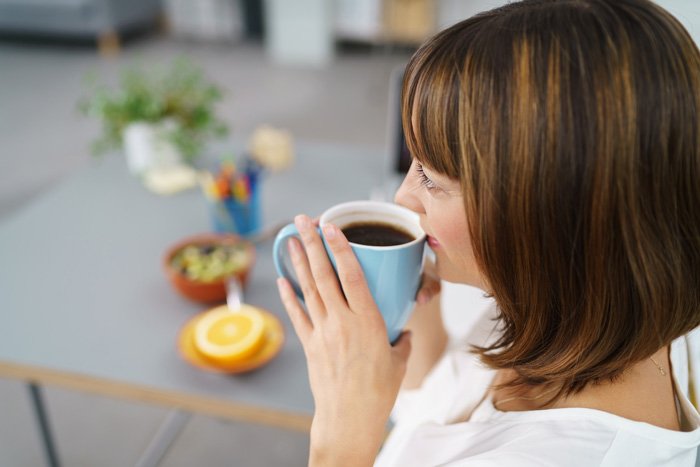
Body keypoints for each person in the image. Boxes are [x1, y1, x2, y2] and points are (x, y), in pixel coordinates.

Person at [275, 0, 700, 465]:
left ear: (544, 214)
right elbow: (437, 399)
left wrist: (340, 437)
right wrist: (399, 293)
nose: (402, 197)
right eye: (413, 163)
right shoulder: (569, 312)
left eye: (432, 179)